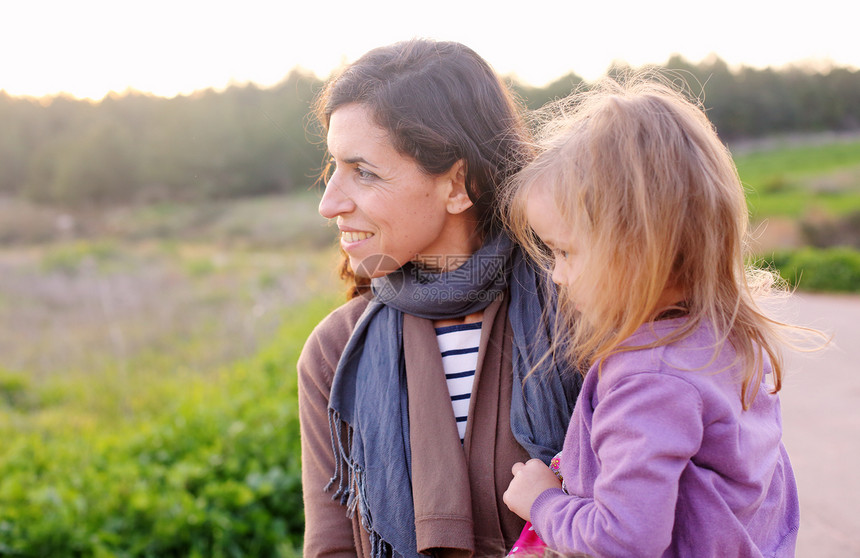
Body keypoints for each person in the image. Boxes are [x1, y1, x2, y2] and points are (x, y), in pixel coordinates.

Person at [501, 76, 826, 556]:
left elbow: (623, 539)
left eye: (564, 251)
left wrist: (543, 502)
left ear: (638, 249)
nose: (558, 276)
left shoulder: (650, 377)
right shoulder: (725, 336)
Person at [298, 39, 582, 558]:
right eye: (333, 167)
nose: (329, 202)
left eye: (363, 171)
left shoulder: (581, 314)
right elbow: (332, 546)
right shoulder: (336, 352)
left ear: (458, 184)